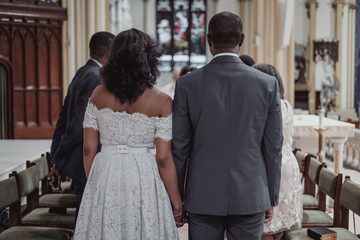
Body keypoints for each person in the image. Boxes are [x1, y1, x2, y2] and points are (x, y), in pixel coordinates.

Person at [172, 11, 283, 240]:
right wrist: (270, 196)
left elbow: (179, 148)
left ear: (209, 41)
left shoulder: (186, 85)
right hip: (251, 193)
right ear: (241, 40)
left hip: (202, 195)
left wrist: (178, 198)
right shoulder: (267, 85)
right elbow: (273, 148)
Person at [73, 28, 183, 239]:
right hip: (143, 174)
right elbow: (163, 157)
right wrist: (177, 204)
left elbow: (88, 147)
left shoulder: (98, 94)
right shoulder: (161, 100)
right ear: (149, 59)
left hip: (105, 169)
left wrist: (95, 179)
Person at [48, 31, 115, 215]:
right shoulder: (98, 77)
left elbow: (62, 119)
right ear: (109, 52)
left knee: (85, 214)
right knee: (88, 216)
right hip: (86, 159)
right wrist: (60, 157)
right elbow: (80, 124)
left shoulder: (82, 72)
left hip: (77, 158)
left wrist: (57, 157)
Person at [253, 63, 302, 240]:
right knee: (278, 228)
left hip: (272, 166)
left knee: (266, 226)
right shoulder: (286, 104)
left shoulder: (268, 106)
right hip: (288, 165)